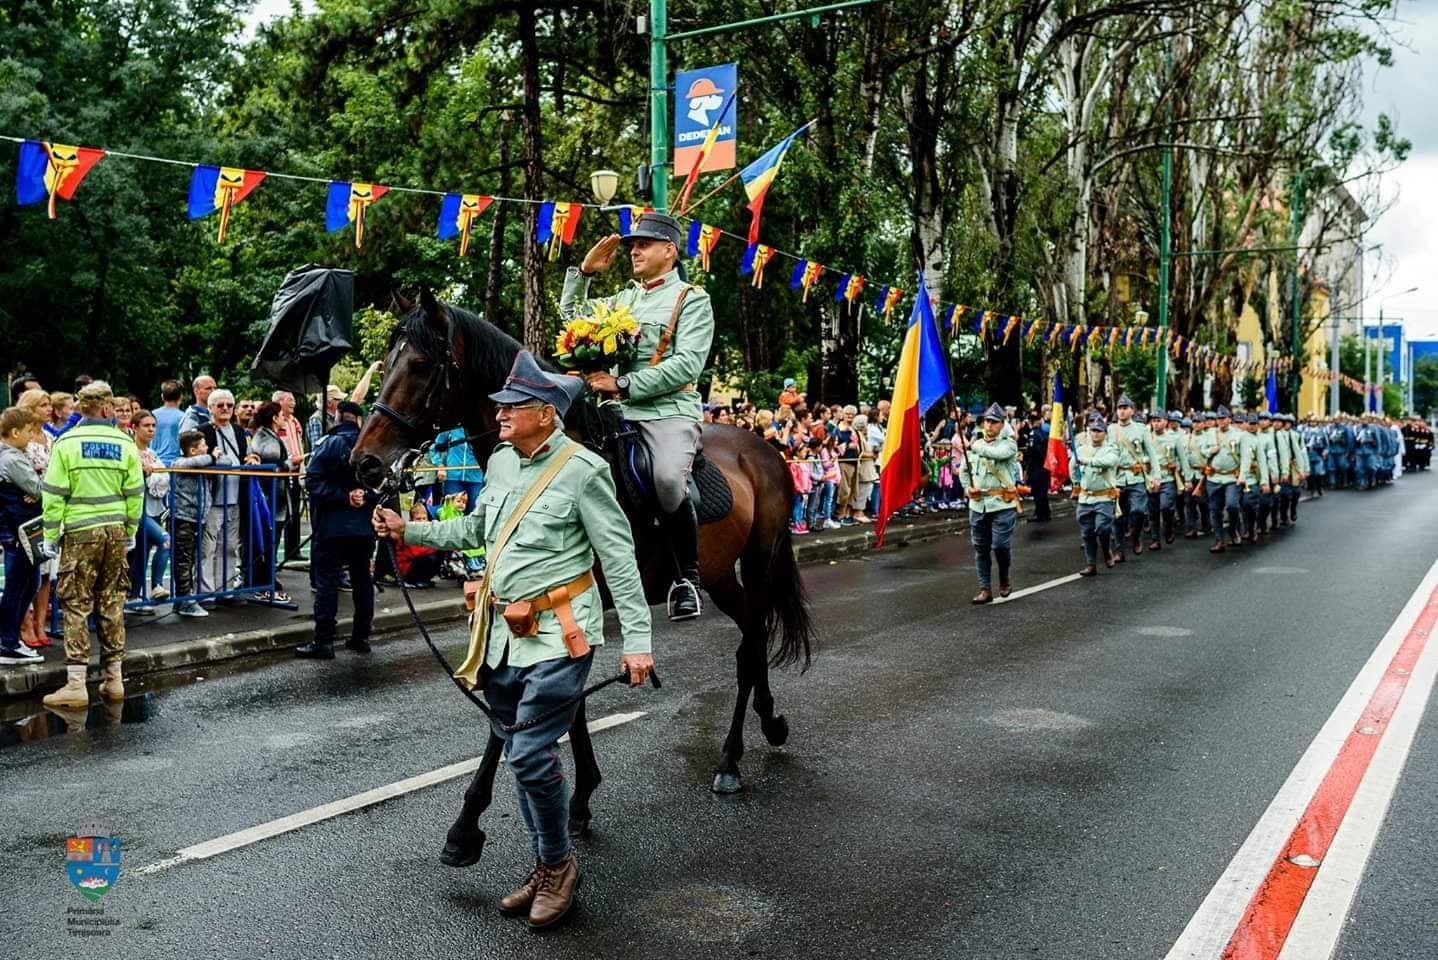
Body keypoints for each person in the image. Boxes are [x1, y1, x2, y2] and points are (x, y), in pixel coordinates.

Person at [371, 350, 653, 931]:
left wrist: (638, 641)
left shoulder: (584, 471)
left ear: (547, 414)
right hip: (501, 636)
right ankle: (546, 862)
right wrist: (411, 529)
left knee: (526, 755)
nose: (499, 415)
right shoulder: (500, 462)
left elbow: (618, 558)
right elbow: (477, 529)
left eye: (513, 407)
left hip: (559, 635)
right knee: (529, 757)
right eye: (499, 406)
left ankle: (557, 867)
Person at [565, 213, 715, 622]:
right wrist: (584, 273)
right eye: (633, 244)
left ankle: (687, 579)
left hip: (667, 412)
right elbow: (572, 321)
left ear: (669, 251)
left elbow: (687, 365)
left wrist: (624, 385)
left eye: (644, 244)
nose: (634, 250)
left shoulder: (691, 298)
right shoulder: (623, 299)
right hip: (614, 412)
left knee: (667, 479)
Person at [39, 382, 144, 708]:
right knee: (112, 602)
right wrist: (130, 529)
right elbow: (135, 491)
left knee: (76, 604)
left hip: (80, 533)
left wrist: (50, 536)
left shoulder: (67, 442)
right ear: (105, 407)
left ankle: (76, 684)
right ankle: (114, 680)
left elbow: (54, 494)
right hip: (115, 532)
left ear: (82, 407)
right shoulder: (123, 442)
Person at [296, 401, 378, 659]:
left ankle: (323, 641)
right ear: (358, 420)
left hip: (331, 527)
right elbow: (382, 485)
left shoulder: (328, 444)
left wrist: (343, 496)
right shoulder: (372, 446)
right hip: (362, 528)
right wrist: (363, 496)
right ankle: (361, 636)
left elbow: (312, 480)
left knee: (327, 583)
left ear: (339, 417)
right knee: (362, 581)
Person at [197, 389, 255, 598]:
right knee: (208, 548)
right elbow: (192, 456)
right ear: (211, 408)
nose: (225, 409)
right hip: (212, 498)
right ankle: (206, 592)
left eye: (229, 405)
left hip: (235, 497)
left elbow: (248, 454)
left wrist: (252, 459)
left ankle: (227, 589)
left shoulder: (240, 431)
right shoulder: (202, 430)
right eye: (220, 405)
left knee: (230, 547)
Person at [0, 407, 45, 664]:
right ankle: (9, 643)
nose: (31, 436)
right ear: (15, 432)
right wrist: (37, 487)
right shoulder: (13, 458)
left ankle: (9, 639)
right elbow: (38, 489)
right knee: (20, 586)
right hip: (20, 530)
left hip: (13, 529)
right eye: (28, 431)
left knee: (26, 584)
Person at [964, 403, 1020, 603]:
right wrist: (967, 488)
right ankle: (985, 588)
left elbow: (997, 454)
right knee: (981, 547)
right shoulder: (973, 448)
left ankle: (1004, 576)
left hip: (1001, 504)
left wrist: (976, 445)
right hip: (978, 504)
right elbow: (964, 471)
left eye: (994, 422)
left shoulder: (1008, 444)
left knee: (1000, 546)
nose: (989, 426)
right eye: (987, 421)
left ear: (1002, 424)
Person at [247, 401, 292, 602]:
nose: (284, 418)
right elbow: (274, 462)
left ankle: (266, 578)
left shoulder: (266, 435)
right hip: (270, 497)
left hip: (274, 497)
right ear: (274, 418)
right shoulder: (266, 437)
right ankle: (262, 582)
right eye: (281, 415)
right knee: (267, 540)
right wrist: (290, 462)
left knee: (270, 539)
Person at [1106, 395, 1160, 562]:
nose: (1122, 411)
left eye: (1125, 408)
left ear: (1132, 410)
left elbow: (1151, 453)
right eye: (1119, 408)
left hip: (1136, 477)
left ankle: (1136, 536)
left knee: (1138, 510)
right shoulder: (1110, 429)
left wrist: (1156, 476)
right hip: (1117, 478)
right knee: (1117, 516)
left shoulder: (1142, 429)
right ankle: (1119, 550)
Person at [128, 410, 172, 611]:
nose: (151, 429)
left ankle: (134, 596)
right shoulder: (129, 451)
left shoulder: (153, 454)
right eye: (146, 426)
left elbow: (163, 482)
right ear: (134, 428)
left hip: (153, 508)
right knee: (165, 540)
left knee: (141, 554)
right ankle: (155, 585)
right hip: (137, 511)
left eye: (153, 426)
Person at [169, 430, 214, 618]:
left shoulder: (201, 461)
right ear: (193, 450)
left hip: (198, 518)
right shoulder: (180, 462)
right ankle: (184, 600)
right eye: (203, 446)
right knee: (183, 560)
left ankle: (186, 598)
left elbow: (226, 462)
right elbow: (193, 462)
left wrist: (212, 457)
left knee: (193, 558)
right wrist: (211, 457)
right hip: (183, 518)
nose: (207, 449)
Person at [1073, 412, 1120, 576]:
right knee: (1086, 533)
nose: (1095, 434)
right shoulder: (1081, 449)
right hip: (1086, 497)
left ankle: (1107, 550)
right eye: (1093, 430)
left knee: (1102, 528)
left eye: (1099, 431)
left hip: (1104, 496)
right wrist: (1075, 482)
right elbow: (1073, 466)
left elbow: (1109, 462)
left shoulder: (1111, 449)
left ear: (1105, 434)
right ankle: (1091, 564)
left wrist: (1088, 461)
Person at [1195, 405, 1244, 553]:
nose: (1221, 421)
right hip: (1214, 477)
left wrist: (1243, 474)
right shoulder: (1210, 434)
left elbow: (1245, 457)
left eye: (1224, 418)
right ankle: (1219, 540)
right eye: (1219, 419)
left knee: (1232, 506)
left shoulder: (1239, 435)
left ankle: (1233, 529)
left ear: (1229, 419)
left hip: (1231, 477)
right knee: (1215, 510)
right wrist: (1211, 450)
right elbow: (1202, 452)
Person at [271, 390, 308, 560]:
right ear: (279, 402)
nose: (293, 403)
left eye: (293, 400)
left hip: (296, 469)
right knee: (280, 513)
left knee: (294, 511)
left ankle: (293, 550)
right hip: (282, 471)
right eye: (289, 400)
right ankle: (273, 553)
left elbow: (299, 443)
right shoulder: (276, 422)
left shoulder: (294, 421)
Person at [1022, 407, 1051, 522]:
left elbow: (1034, 450)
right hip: (1044, 465)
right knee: (1043, 491)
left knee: (1037, 491)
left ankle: (1039, 513)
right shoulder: (1043, 433)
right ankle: (1046, 512)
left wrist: (1028, 465)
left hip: (1036, 466)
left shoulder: (1033, 433)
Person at [151, 379, 185, 464]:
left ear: (162, 397)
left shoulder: (151, 415)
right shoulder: (183, 417)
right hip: (174, 464)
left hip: (154, 462)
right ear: (181, 397)